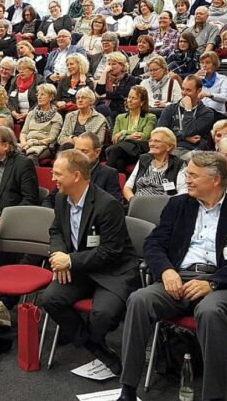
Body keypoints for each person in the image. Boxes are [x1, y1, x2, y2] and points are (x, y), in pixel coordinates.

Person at [115, 152, 227, 401]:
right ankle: (128, 388)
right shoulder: (178, 205)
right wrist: (166, 270)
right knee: (139, 299)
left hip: (220, 285)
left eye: (193, 175)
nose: (187, 179)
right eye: (187, 173)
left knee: (210, 312)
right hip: (177, 278)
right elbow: (154, 243)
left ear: (215, 180)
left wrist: (212, 283)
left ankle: (213, 396)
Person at [40, 149, 140, 374]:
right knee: (50, 299)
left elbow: (111, 252)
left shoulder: (108, 205)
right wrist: (58, 254)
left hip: (112, 270)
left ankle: (91, 339)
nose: (52, 178)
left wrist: (70, 261)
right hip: (80, 267)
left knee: (102, 315)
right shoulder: (61, 198)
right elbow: (56, 230)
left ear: (76, 176)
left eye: (57, 174)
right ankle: (94, 346)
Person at [44, 132, 121, 204]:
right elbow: (50, 200)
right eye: (76, 151)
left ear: (97, 152)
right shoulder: (69, 170)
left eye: (84, 151)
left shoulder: (109, 174)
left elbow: (114, 205)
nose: (79, 155)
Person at [157, 75, 216, 157]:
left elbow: (188, 131)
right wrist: (184, 138)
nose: (184, 93)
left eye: (188, 90)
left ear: (199, 91)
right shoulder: (170, 109)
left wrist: (188, 109)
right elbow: (160, 133)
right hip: (170, 148)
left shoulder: (207, 113)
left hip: (192, 150)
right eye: (183, 89)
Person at [122, 127, 186, 202]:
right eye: (150, 140)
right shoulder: (143, 159)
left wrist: (169, 205)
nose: (151, 144)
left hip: (164, 206)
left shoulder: (179, 164)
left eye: (157, 141)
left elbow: (183, 192)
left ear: (169, 147)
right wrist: (133, 201)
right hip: (138, 204)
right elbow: (127, 187)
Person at [106, 86, 157, 173]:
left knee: (113, 150)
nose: (129, 100)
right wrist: (129, 137)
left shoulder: (150, 117)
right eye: (129, 97)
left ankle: (104, 182)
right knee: (119, 162)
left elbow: (144, 136)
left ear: (142, 102)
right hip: (122, 150)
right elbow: (114, 138)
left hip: (138, 150)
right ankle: (120, 185)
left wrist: (123, 132)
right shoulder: (120, 117)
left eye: (134, 98)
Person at [18, 83, 63, 165]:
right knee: (11, 154)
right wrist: (24, 143)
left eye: (42, 94)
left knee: (30, 158)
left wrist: (32, 143)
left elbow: (51, 138)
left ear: (51, 97)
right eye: (38, 94)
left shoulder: (57, 117)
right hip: (27, 143)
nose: (39, 97)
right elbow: (23, 133)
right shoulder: (31, 113)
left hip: (45, 146)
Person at [94, 52, 140, 122]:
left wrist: (107, 95)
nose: (110, 67)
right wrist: (104, 73)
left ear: (122, 65)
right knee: (101, 109)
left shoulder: (129, 78)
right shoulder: (105, 77)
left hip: (120, 107)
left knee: (106, 111)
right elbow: (99, 92)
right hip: (104, 106)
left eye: (114, 64)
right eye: (109, 64)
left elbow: (124, 93)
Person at [196, 51, 227, 116]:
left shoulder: (223, 79)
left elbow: (225, 98)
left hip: (217, 113)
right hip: (199, 113)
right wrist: (195, 79)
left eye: (208, 63)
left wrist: (209, 95)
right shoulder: (197, 78)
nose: (204, 65)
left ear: (214, 64)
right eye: (202, 63)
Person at [8, 58, 40, 125]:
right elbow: (9, 99)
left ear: (32, 70)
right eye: (19, 69)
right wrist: (14, 113)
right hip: (16, 116)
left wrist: (28, 114)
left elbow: (41, 101)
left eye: (24, 69)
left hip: (34, 114)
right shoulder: (15, 80)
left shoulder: (39, 81)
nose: (21, 71)